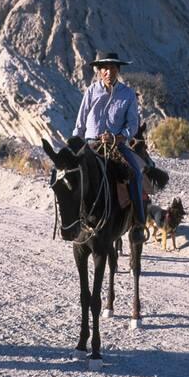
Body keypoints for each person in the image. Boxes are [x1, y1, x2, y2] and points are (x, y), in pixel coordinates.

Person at [72, 50, 145, 241]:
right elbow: (80, 123)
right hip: (90, 144)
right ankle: (70, 219)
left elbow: (132, 125)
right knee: (67, 174)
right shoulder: (91, 91)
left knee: (136, 173)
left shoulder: (128, 94)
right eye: (104, 68)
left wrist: (117, 138)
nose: (108, 72)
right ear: (99, 71)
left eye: (112, 67)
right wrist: (73, 144)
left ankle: (138, 223)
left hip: (115, 146)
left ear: (118, 70)